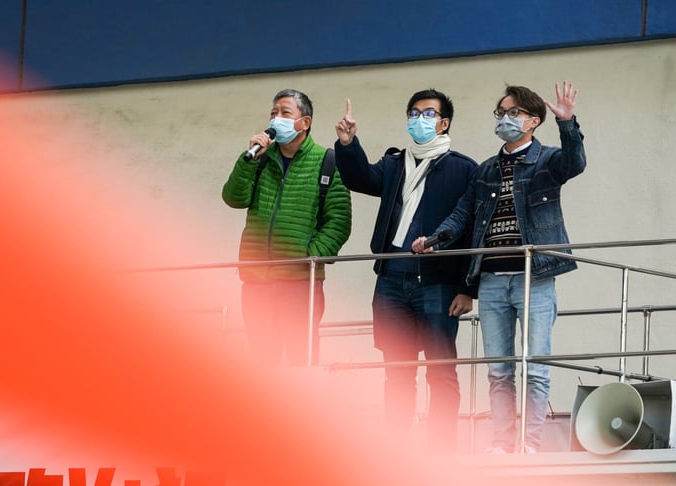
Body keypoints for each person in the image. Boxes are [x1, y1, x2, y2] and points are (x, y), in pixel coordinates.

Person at [413, 82, 586, 454]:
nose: (505, 119)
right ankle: (502, 443)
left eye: (514, 113)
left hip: (534, 278)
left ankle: (531, 443)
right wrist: (435, 239)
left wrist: (568, 124)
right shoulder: (487, 169)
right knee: (499, 371)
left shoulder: (547, 161)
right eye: (501, 112)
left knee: (535, 367)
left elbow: (576, 164)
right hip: (490, 281)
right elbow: (463, 212)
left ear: (533, 121)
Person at [334, 90, 477, 451]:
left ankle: (440, 451)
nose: (419, 119)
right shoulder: (395, 163)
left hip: (439, 281)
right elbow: (361, 179)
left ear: (444, 123)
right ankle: (397, 452)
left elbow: (473, 229)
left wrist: (467, 287)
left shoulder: (463, 168)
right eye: (414, 112)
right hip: (392, 280)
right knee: (397, 371)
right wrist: (348, 144)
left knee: (441, 370)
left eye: (428, 114)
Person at [222, 89, 352, 365]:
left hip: (299, 282)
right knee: (262, 363)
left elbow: (339, 221)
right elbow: (233, 198)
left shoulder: (326, 161)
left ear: (304, 122)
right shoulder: (260, 160)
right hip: (257, 280)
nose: (276, 118)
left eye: (285, 112)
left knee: (300, 360)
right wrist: (249, 161)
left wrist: (308, 255)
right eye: (273, 113)